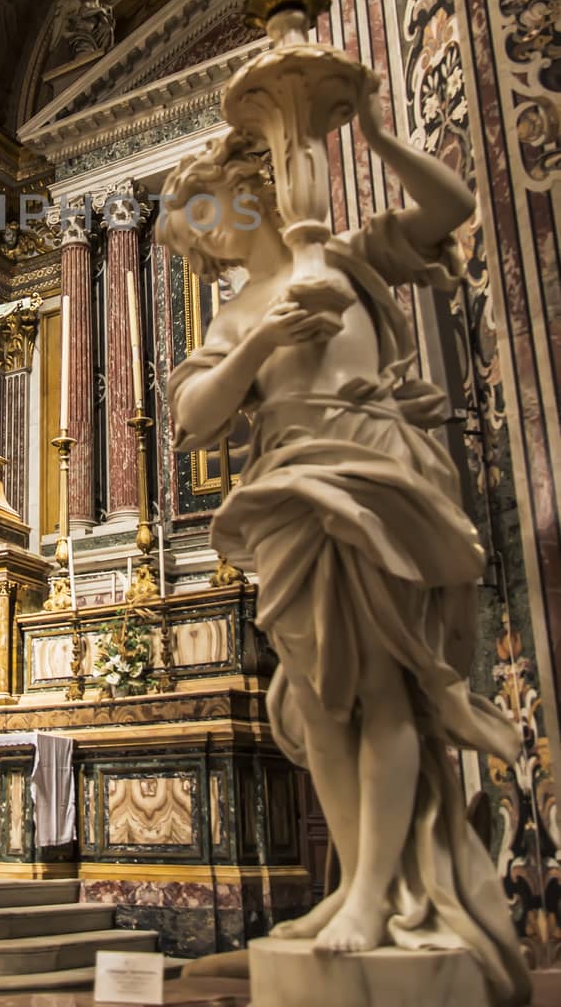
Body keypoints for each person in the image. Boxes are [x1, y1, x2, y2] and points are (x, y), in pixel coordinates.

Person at [157, 85, 531, 1007]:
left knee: (381, 681)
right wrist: (261, 345)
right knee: (322, 700)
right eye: (197, 231)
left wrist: (375, 135)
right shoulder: (237, 311)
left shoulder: (350, 256)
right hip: (286, 495)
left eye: (209, 216)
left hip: (369, 473)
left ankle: (374, 893)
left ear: (251, 189)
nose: (207, 240)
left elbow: (449, 209)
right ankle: (355, 884)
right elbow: (191, 418)